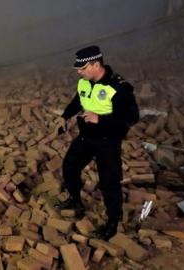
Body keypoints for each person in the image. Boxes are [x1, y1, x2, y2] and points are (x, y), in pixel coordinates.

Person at [56, 45, 139, 240]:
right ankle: (75, 200)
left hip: (108, 142)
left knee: (109, 183)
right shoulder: (84, 82)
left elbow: (131, 117)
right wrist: (64, 116)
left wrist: (100, 119)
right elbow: (78, 101)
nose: (79, 71)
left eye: (82, 68)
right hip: (86, 137)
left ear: (96, 65)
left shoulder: (118, 87)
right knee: (69, 166)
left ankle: (112, 222)